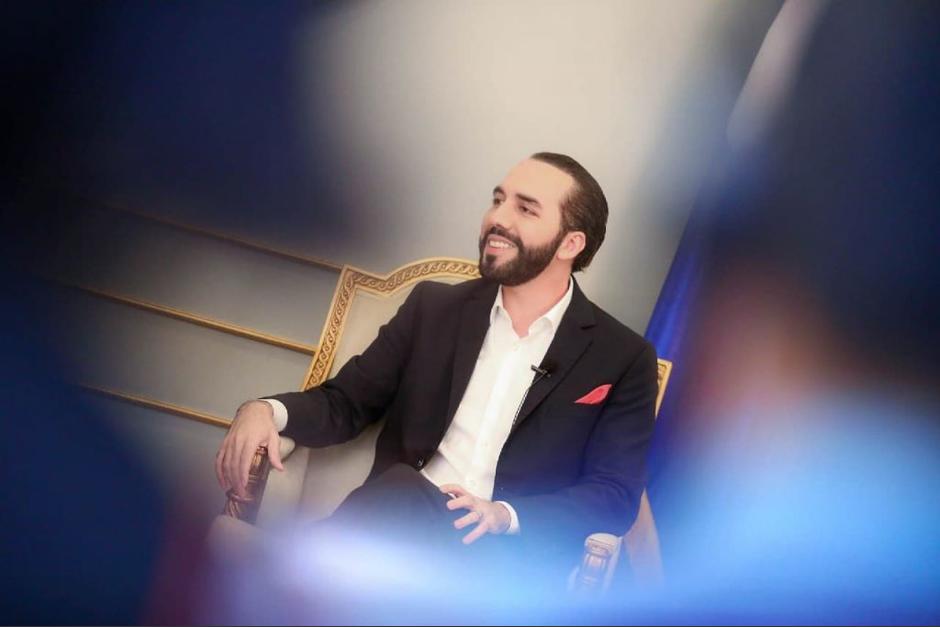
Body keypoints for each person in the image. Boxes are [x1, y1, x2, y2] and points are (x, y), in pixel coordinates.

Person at [214, 152, 658, 587]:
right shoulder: (433, 308)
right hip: (398, 528)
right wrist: (266, 410)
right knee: (403, 492)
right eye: (498, 200)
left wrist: (502, 516)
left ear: (570, 244)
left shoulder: (622, 357)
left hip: (505, 563)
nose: (497, 218)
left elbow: (615, 495)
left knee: (394, 506)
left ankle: (290, 567)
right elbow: (346, 402)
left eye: (525, 209)